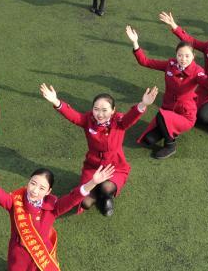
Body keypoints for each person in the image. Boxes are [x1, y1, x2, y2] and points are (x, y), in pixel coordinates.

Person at [39, 83, 157, 216]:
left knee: (107, 188)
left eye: (104, 110)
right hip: (93, 166)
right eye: (96, 109)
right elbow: (73, 116)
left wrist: (143, 104)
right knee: (85, 203)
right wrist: (55, 101)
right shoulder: (88, 120)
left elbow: (132, 116)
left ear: (113, 110)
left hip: (115, 165)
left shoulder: (119, 121)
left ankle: (105, 195)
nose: (99, 114)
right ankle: (100, 194)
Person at [127, 25, 208, 159]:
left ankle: (170, 145)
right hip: (168, 110)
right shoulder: (170, 65)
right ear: (176, 55)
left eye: (187, 56)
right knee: (149, 140)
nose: (183, 59)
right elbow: (145, 62)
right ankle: (170, 129)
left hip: (185, 115)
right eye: (180, 55)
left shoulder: (197, 71)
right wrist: (135, 43)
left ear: (193, 56)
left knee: (161, 116)